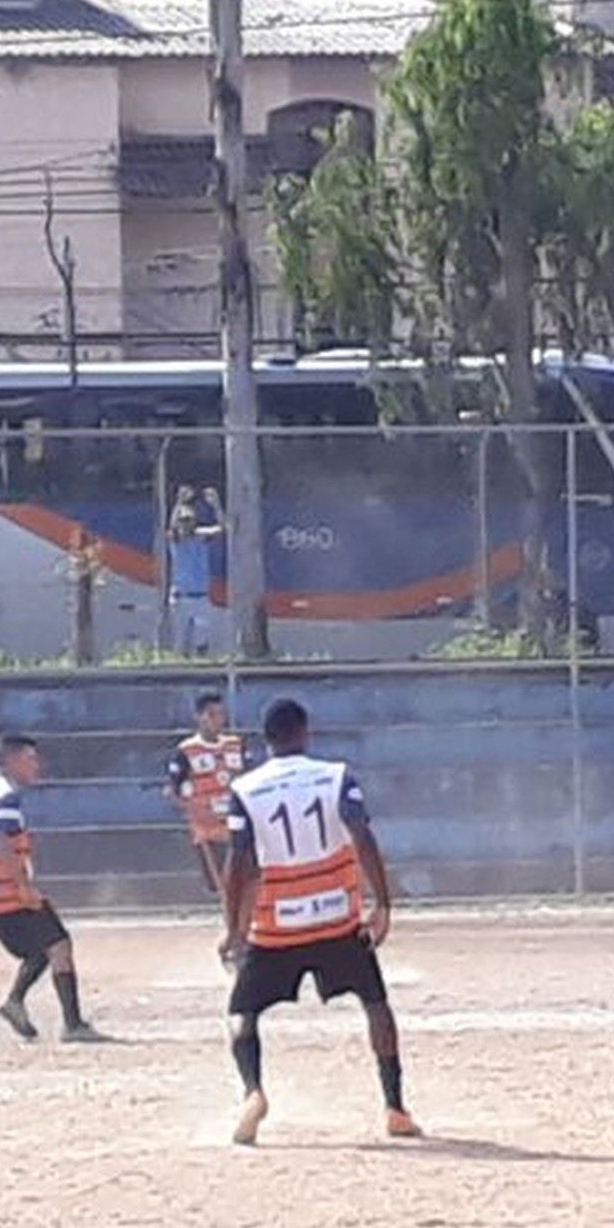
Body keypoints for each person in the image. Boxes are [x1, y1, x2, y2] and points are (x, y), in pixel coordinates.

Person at [220, 696, 421, 1146]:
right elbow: (362, 834)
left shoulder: (246, 790)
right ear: (305, 733)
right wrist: (382, 903)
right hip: (336, 916)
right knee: (375, 1002)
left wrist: (234, 929)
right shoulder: (335, 776)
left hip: (276, 925)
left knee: (241, 1012)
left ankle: (253, 1093)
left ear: (266, 740)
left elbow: (240, 864)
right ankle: (395, 1107)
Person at [0, 734, 104, 1044]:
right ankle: (72, 1024)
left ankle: (16, 1002)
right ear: (11, 761)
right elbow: (2, 843)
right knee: (60, 944)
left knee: (44, 949)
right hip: (5, 889)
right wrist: (22, 886)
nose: (37, 766)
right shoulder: (6, 798)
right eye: (30, 759)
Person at [166, 688, 246, 898]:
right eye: (211, 715)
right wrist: (194, 812)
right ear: (199, 717)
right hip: (208, 831)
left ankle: (238, 926)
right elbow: (172, 791)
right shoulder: (186, 751)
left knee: (242, 881)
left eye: (220, 714)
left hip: (237, 828)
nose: (217, 720)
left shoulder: (235, 745)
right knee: (218, 885)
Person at [167, 484, 225, 657]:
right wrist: (179, 502)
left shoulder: (201, 537)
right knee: (179, 644)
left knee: (202, 639)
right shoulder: (176, 540)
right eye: (182, 520)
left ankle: (202, 666)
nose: (185, 523)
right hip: (180, 598)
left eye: (188, 520)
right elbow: (171, 528)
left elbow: (222, 528)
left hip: (201, 597)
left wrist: (216, 506)